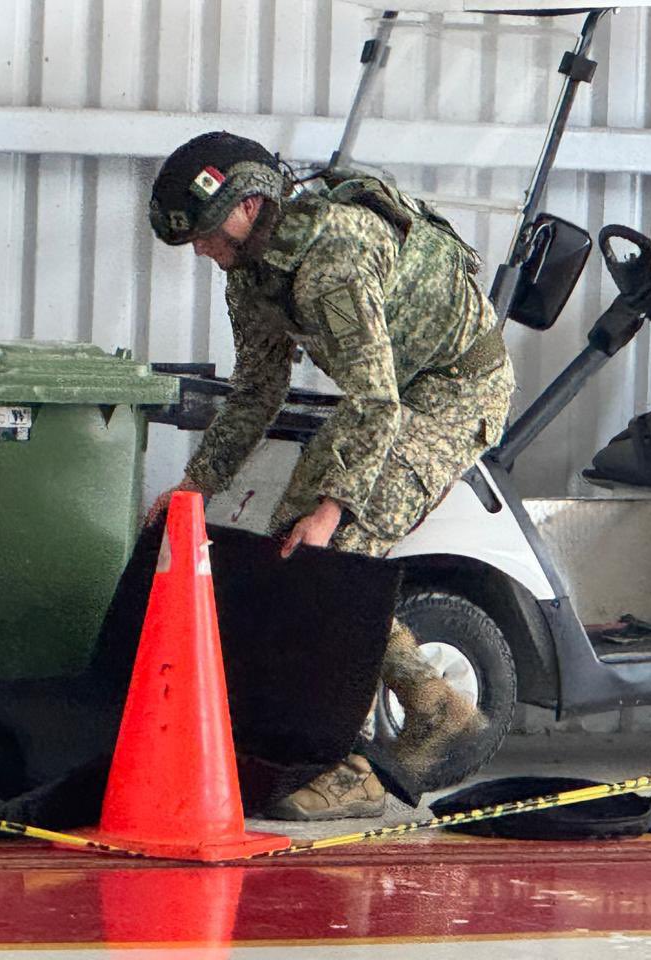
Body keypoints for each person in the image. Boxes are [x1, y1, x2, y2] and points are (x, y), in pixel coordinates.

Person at [146, 132, 515, 819]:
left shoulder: (330, 262)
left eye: (205, 231)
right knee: (294, 552)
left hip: (450, 392)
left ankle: (357, 771)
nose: (200, 248)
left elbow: (379, 402)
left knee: (332, 557)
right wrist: (196, 484)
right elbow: (257, 389)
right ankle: (437, 705)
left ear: (252, 205)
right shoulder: (249, 271)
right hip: (389, 392)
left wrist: (332, 509)